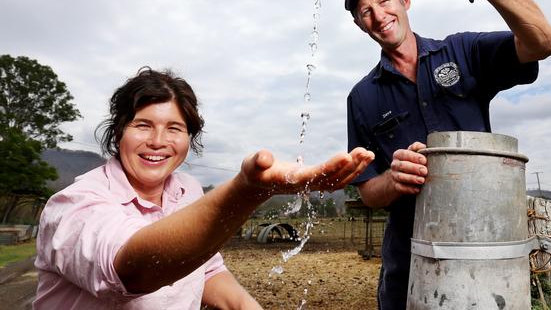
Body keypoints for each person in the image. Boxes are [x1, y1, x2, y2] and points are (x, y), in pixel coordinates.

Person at [344, 0, 551, 309]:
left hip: (481, 245)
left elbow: (544, 42)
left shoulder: (461, 51)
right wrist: (394, 179)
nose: (378, 15)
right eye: (365, 12)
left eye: (384, 2)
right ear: (359, 25)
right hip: (406, 253)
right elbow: (368, 189)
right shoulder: (362, 97)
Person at [34, 67, 374, 309]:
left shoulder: (187, 191)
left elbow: (207, 269)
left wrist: (246, 306)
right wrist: (247, 190)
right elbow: (133, 269)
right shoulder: (74, 204)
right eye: (142, 125)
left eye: (174, 128)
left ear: (189, 138)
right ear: (118, 131)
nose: (157, 142)